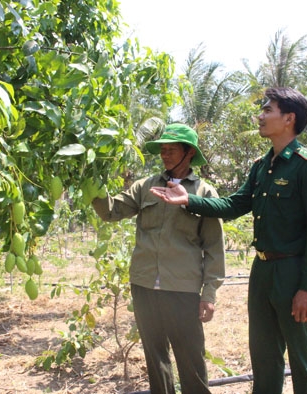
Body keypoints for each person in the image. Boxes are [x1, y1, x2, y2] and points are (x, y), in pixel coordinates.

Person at [151, 87, 307, 394]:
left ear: (289, 119)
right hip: (261, 271)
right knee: (263, 354)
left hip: (293, 272)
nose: (260, 116)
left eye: (267, 110)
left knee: (301, 357)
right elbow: (233, 206)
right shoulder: (262, 166)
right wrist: (188, 200)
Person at [91, 123, 225, 394]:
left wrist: (209, 294)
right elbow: (111, 211)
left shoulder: (203, 193)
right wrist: (92, 181)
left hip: (182, 289)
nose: (165, 154)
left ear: (189, 153)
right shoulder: (145, 186)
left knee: (191, 360)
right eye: (162, 149)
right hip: (144, 285)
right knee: (155, 358)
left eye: (172, 149)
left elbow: (214, 247)